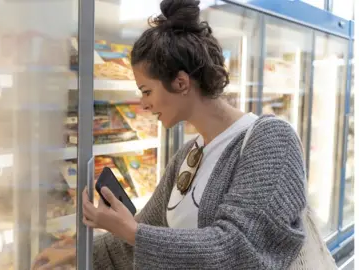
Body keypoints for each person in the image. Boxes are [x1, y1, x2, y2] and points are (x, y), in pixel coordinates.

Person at [33, 0, 306, 269]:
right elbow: (146, 231)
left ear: (181, 82)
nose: (143, 104)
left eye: (147, 91)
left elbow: (238, 250)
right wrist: (77, 252)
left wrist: (131, 232)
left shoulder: (271, 139)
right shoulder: (189, 155)